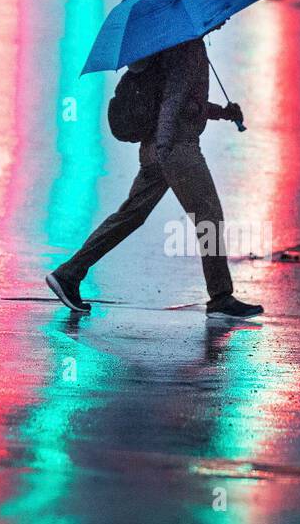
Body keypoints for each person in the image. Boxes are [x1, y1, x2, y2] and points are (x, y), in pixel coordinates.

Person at [46, 27, 264, 319]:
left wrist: (222, 113)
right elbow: (174, 98)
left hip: (160, 147)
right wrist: (165, 146)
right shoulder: (188, 45)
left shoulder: (173, 42)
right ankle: (221, 298)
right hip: (177, 148)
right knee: (209, 217)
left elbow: (180, 102)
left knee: (130, 216)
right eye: (220, 17)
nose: (223, 21)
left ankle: (69, 274)